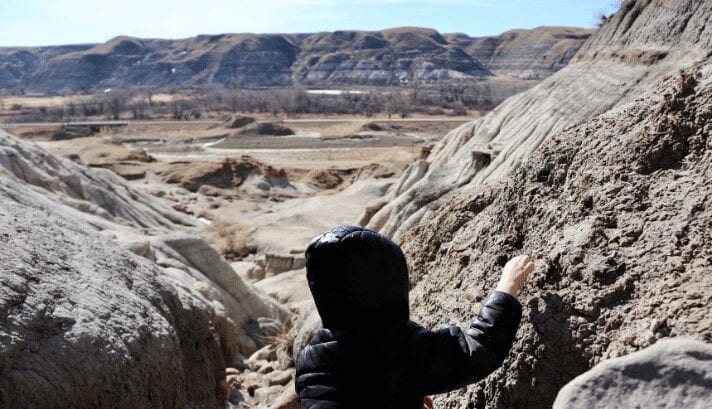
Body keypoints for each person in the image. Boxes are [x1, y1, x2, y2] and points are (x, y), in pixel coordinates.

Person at [295, 226, 534, 409]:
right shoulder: (401, 347)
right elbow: (477, 350)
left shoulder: (311, 357)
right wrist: (506, 289)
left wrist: (408, 392)